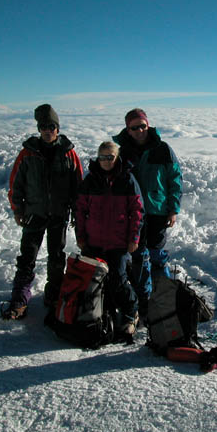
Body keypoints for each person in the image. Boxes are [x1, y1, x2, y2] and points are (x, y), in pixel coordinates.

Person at [3, 104, 83, 320]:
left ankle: (54, 295)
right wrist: (17, 209)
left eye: (51, 126)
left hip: (58, 214)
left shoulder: (69, 153)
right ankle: (19, 298)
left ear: (57, 128)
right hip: (34, 214)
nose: (47, 130)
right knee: (27, 256)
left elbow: (78, 186)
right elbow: (16, 184)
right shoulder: (28, 154)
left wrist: (77, 213)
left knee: (56, 256)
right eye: (43, 127)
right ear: (39, 129)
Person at [113, 108, 182, 321]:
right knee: (138, 256)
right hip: (132, 213)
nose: (140, 130)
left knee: (157, 255)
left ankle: (165, 299)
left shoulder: (162, 149)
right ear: (128, 129)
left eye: (143, 125)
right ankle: (143, 300)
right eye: (135, 127)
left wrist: (173, 209)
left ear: (148, 125)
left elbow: (175, 179)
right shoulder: (122, 152)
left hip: (158, 210)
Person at [74, 141, 143, 335]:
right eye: (102, 157)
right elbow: (80, 211)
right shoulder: (90, 180)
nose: (105, 161)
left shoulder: (127, 179)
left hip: (118, 242)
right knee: (94, 279)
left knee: (118, 279)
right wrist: (80, 237)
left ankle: (131, 313)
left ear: (117, 157)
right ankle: (102, 311)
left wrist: (134, 238)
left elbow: (137, 211)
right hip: (94, 241)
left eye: (110, 157)